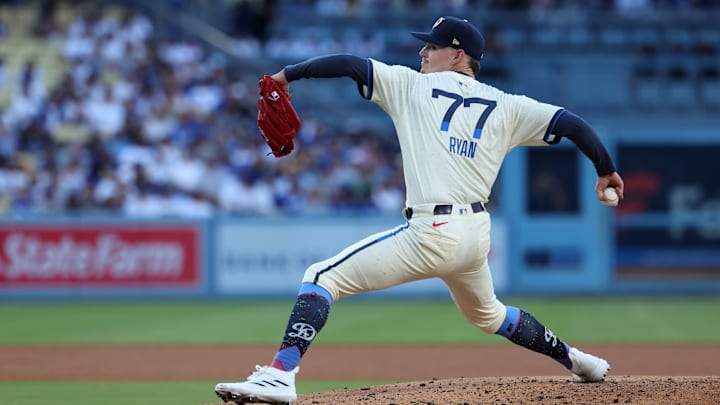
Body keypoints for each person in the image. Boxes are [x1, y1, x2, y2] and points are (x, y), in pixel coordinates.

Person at [215, 15, 625, 405]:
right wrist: (605, 170)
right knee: (490, 316)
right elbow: (573, 124)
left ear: (457, 55)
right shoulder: (508, 105)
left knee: (322, 276)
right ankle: (579, 362)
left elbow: (346, 64)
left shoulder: (410, 85)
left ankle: (281, 374)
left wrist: (287, 75)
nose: (422, 54)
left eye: (432, 46)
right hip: (475, 234)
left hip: (433, 230)